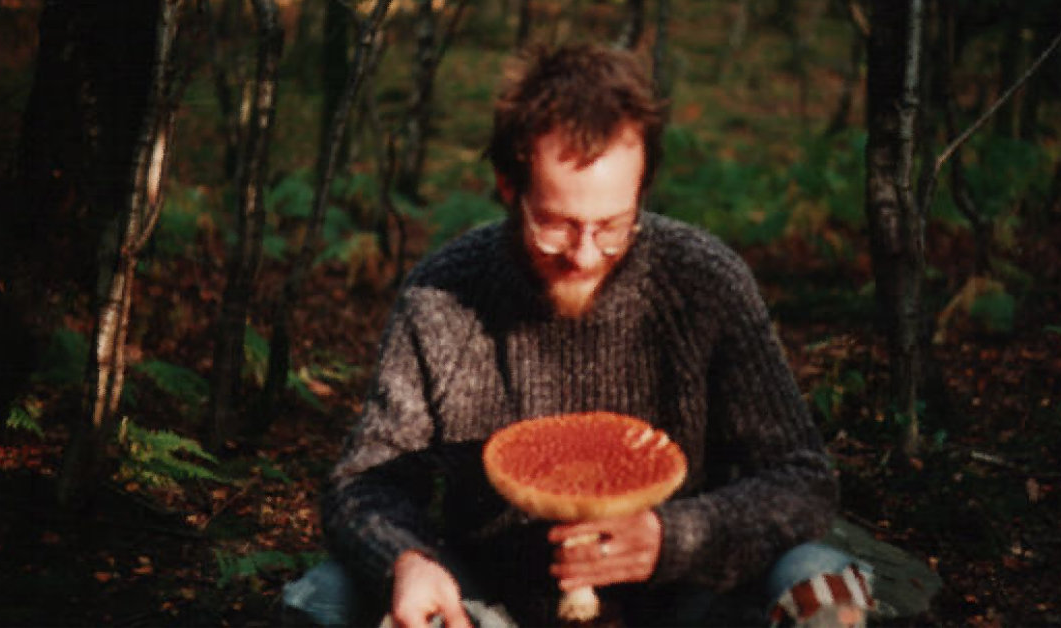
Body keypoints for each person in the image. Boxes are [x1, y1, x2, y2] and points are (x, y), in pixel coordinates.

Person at [283, 43, 873, 627]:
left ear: (642, 189)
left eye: (614, 226)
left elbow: (803, 480)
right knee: (326, 597)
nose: (586, 255)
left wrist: (674, 538)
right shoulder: (444, 297)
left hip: (688, 599)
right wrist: (406, 560)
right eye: (556, 226)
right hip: (496, 601)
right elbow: (365, 483)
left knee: (820, 578)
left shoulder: (702, 283)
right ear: (509, 188)